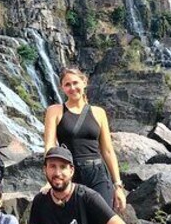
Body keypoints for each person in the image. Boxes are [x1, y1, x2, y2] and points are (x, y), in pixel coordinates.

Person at [43, 67, 126, 212]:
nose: (72, 88)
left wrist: (118, 186)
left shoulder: (99, 113)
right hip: (70, 173)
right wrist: (50, 179)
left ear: (84, 82)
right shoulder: (55, 111)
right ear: (62, 87)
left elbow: (107, 151)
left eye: (75, 83)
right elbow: (50, 146)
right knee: (74, 223)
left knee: (102, 221)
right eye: (67, 84)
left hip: (97, 174)